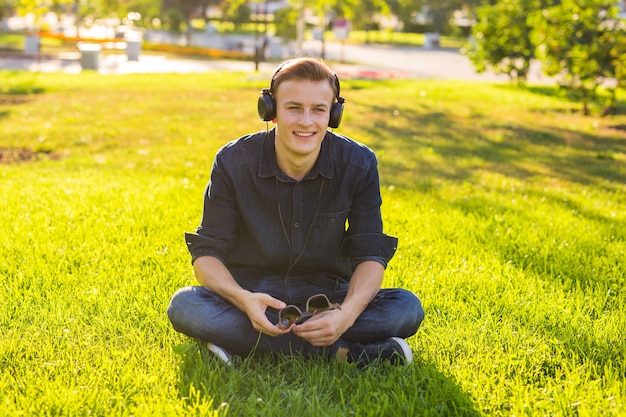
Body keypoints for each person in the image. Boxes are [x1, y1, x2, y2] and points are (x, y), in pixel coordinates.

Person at [167, 57, 424, 366]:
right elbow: (207, 254)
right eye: (294, 108)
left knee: (406, 307)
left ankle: (243, 346)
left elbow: (370, 253)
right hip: (252, 299)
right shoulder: (232, 161)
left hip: (328, 299)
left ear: (333, 114)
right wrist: (243, 299)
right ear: (271, 111)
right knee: (185, 306)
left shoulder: (359, 163)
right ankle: (345, 355)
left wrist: (346, 314)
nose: (306, 121)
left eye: (318, 109)